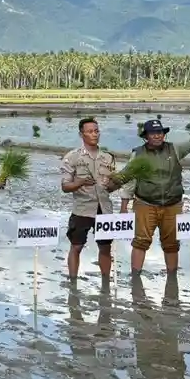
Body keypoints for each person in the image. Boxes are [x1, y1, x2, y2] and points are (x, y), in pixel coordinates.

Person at [118, 116, 190, 275]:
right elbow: (130, 180)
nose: (157, 136)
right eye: (153, 133)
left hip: (172, 205)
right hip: (145, 204)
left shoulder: (174, 149)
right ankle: (135, 277)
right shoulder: (138, 154)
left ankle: (172, 276)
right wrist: (124, 207)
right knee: (140, 242)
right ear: (146, 136)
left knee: (171, 244)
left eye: (160, 132)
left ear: (164, 134)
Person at [60, 118, 123, 281]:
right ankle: (73, 282)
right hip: (82, 209)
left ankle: (106, 282)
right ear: (81, 134)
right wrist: (80, 182)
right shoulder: (72, 157)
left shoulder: (108, 158)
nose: (94, 134)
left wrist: (115, 183)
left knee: (105, 247)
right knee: (76, 246)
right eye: (89, 131)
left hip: (104, 209)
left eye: (96, 131)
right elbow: (65, 186)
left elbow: (113, 186)